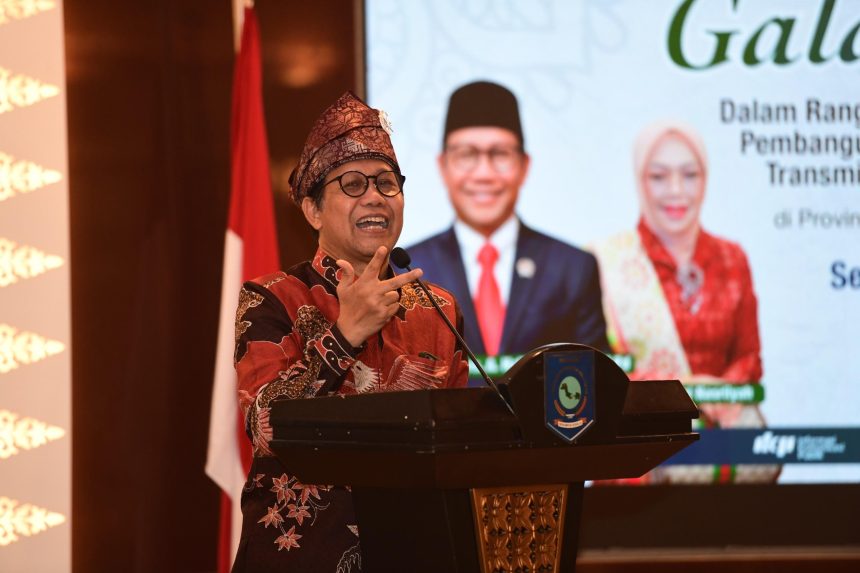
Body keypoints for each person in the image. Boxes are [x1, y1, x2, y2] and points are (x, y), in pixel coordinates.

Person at [230, 92, 469, 572]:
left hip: (416, 553)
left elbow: (458, 442)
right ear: (314, 210)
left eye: (387, 183)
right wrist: (345, 334)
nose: (376, 196)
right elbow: (266, 427)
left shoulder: (437, 308)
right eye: (354, 184)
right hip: (302, 558)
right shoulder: (273, 298)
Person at [592, 121, 777, 483]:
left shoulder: (731, 258)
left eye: (690, 175)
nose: (676, 191)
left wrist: (721, 393)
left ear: (705, 179)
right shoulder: (602, 262)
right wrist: (685, 393)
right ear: (639, 181)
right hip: (641, 438)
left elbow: (749, 357)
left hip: (726, 430)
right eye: (658, 176)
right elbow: (598, 371)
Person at [408, 81, 608, 378]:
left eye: (500, 154)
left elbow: (596, 383)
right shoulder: (408, 271)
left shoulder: (573, 269)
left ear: (524, 166)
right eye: (467, 155)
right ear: (443, 166)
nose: (484, 174)